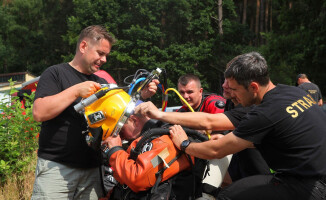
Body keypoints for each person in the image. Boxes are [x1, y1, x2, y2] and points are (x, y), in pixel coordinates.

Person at [136, 52, 326, 199]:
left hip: (306, 187)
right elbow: (210, 121)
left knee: (228, 196)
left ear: (253, 87)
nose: (231, 95)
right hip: (317, 176)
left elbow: (216, 150)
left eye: (234, 89)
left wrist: (185, 144)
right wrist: (161, 114)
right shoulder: (290, 93)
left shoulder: (264, 113)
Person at [31, 25, 158, 199]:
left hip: (92, 171)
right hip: (57, 169)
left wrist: (141, 95)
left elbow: (122, 122)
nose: (104, 59)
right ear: (83, 46)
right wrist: (75, 91)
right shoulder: (55, 73)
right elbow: (39, 112)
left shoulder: (102, 83)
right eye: (100, 53)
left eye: (106, 55)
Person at [102, 112, 206, 200]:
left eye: (119, 130)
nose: (120, 136)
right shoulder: (146, 139)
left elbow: (138, 177)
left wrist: (115, 150)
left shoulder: (169, 145)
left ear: (134, 120)